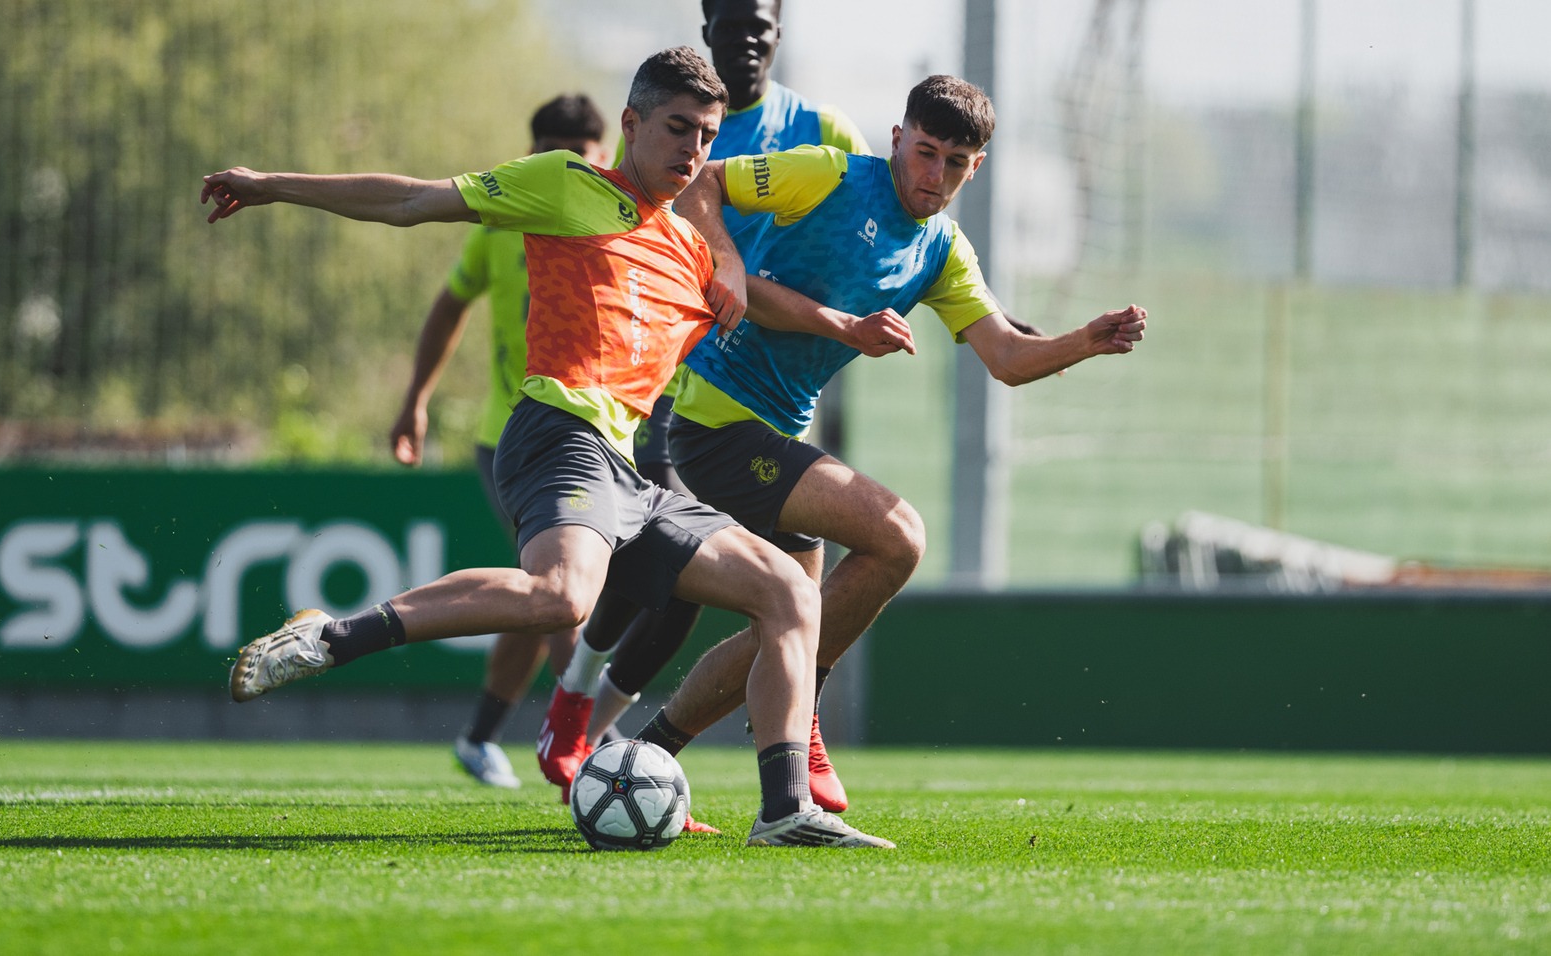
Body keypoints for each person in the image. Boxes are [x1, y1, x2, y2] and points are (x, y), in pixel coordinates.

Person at [203, 46, 894, 848]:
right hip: (557, 432)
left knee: (787, 591)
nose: (693, 151)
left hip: (630, 469)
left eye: (706, 136)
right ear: (630, 124)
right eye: (677, 129)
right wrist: (271, 185)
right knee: (564, 597)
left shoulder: (694, 251)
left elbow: (763, 301)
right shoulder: (568, 186)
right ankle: (331, 637)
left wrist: (837, 321)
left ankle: (782, 812)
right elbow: (412, 201)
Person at [625, 75, 1148, 794]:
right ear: (898, 139)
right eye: (925, 152)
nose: (934, 177)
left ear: (977, 168)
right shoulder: (828, 173)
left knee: (788, 625)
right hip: (717, 420)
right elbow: (702, 186)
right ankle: (797, 720)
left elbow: (1006, 357)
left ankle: (642, 754)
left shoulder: (943, 251)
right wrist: (730, 261)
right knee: (897, 533)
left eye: (955, 163)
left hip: (773, 431)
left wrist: (1083, 341)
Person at [536, 0, 873, 816]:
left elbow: (881, 215)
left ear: (779, 35)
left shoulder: (821, 127)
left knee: (757, 583)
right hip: (673, 378)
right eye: (733, 26)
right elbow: (644, 224)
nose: (747, 40)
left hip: (775, 387)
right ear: (708, 28)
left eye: (762, 27)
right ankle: (581, 707)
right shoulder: (672, 122)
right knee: (669, 569)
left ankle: (754, 727)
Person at [387, 94, 611, 789]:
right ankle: (597, 745)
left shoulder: (623, 224)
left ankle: (481, 735)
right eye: (553, 151)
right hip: (512, 436)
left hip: (597, 438)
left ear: (604, 153)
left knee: (540, 592)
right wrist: (415, 400)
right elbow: (450, 304)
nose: (569, 163)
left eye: (582, 151)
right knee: (564, 591)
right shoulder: (500, 222)